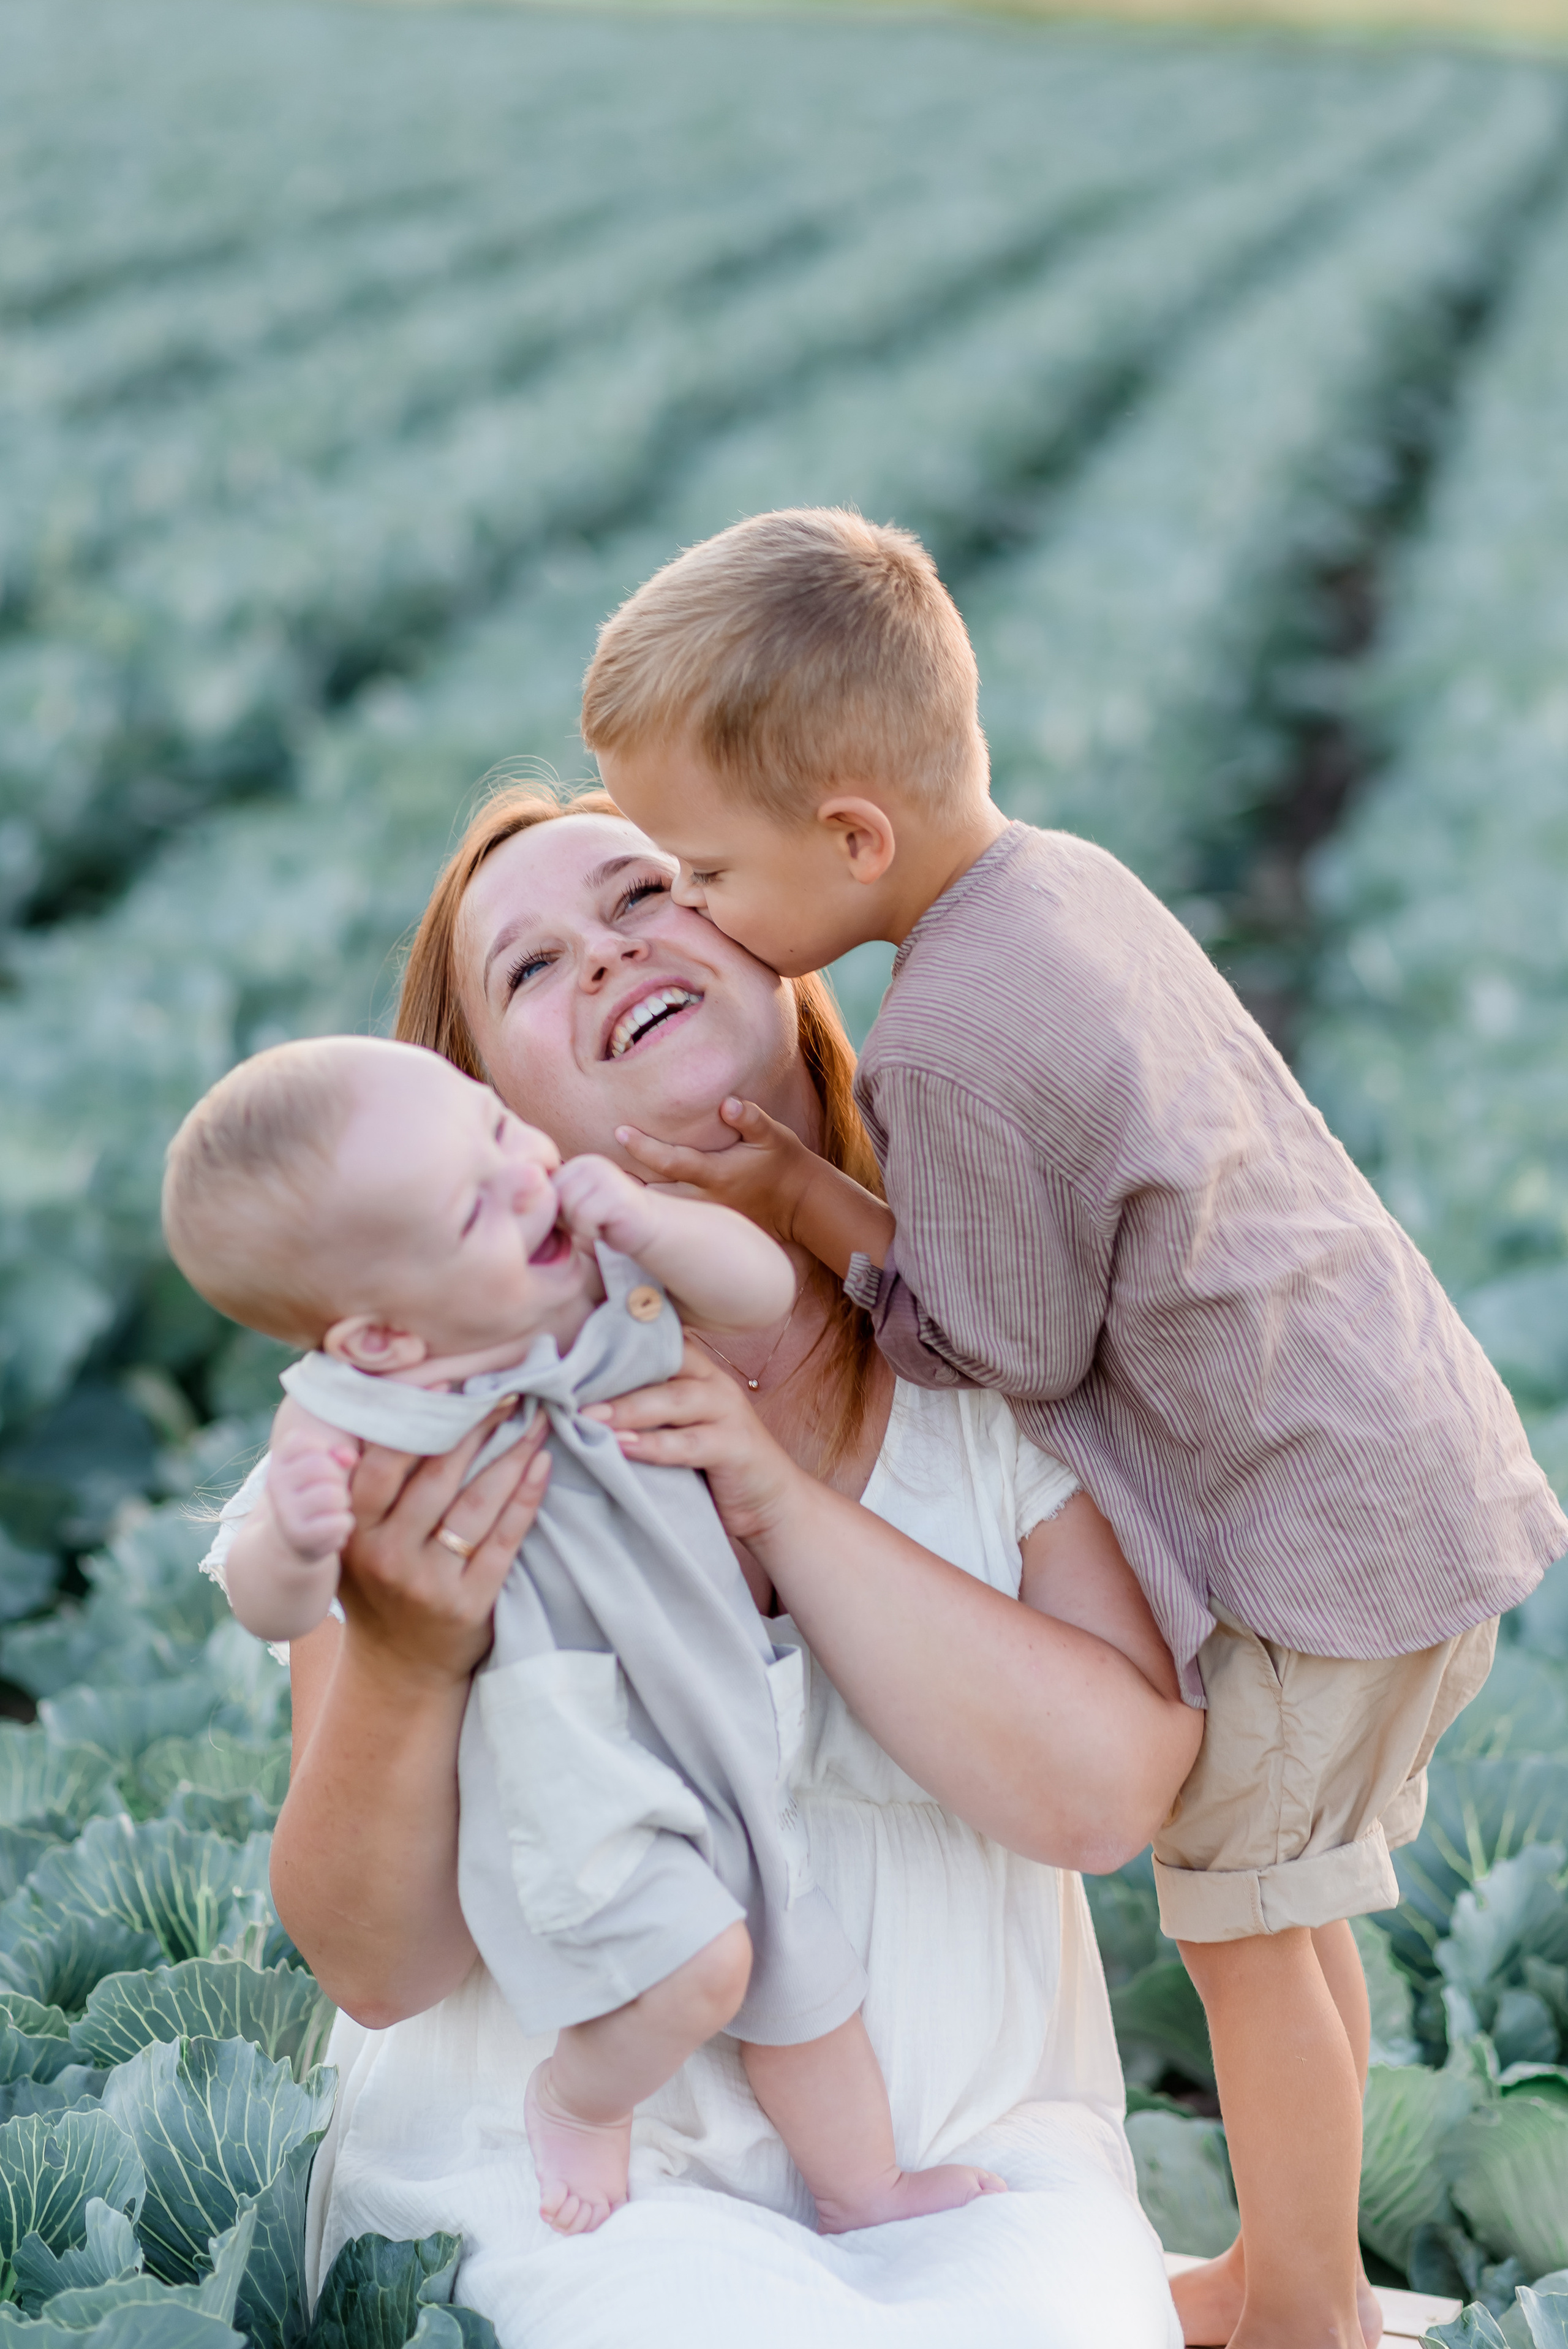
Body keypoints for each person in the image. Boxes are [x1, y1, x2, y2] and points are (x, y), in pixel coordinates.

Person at [581, 507, 1568, 2349]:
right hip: (1401, 1474)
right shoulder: (1062, 883)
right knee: (1300, 1914)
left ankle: (1306, 2314)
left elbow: (999, 1341)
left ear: (851, 839)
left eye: (705, 873)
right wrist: (816, 1188)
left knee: (1239, 1938)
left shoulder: (941, 1044)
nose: (694, 916)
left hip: (1302, 1543)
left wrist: (808, 1215)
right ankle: (1293, 2268)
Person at [253, 785, 1199, 2348]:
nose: (605, 955)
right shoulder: (431, 1427)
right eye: (529, 967)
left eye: (644, 895)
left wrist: (768, 1497)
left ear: (772, 943)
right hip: (550, 2187)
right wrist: (411, 1663)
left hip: (965, 2174)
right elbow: (374, 1967)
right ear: (482, 1114)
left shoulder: (994, 1336)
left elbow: (1101, 1799)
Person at [168, 1034, 1003, 2236]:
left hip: (710, 1697)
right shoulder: (359, 1415)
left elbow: (758, 1289)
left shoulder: (606, 1269)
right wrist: (296, 1540)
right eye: (474, 1205)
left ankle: (861, 2189)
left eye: (496, 1129)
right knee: (698, 1968)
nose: (525, 1176)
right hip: (565, 1740)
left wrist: (654, 1224)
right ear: (379, 1337)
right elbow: (273, 1604)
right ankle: (579, 2096)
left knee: (803, 1976)